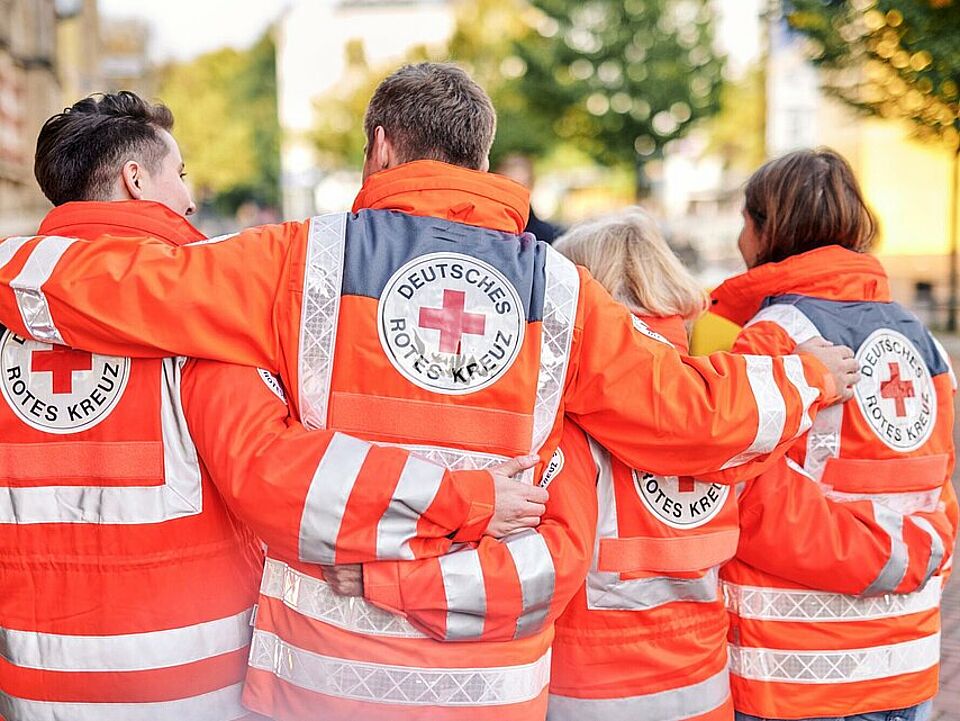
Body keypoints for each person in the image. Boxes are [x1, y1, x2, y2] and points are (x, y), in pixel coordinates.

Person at [0, 65, 859, 720]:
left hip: (323, 679)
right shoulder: (561, 292)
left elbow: (98, 285)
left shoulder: (297, 261)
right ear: (482, 158)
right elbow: (703, 422)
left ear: (380, 145)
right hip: (492, 683)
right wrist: (802, 367)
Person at [0, 91, 544, 721]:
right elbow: (279, 475)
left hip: (34, 679)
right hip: (195, 682)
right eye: (179, 175)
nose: (190, 198)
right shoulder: (202, 322)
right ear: (134, 179)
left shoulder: (17, 298)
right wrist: (463, 497)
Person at [545, 208, 955, 721]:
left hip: (587, 689)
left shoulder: (557, 412)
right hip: (708, 688)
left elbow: (548, 566)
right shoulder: (738, 401)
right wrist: (921, 544)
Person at [711, 148, 958, 721]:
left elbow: (748, 500)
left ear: (766, 229)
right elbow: (933, 487)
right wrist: (912, 555)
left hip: (796, 671)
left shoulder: (774, 336)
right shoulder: (924, 342)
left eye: (745, 222)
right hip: (904, 661)